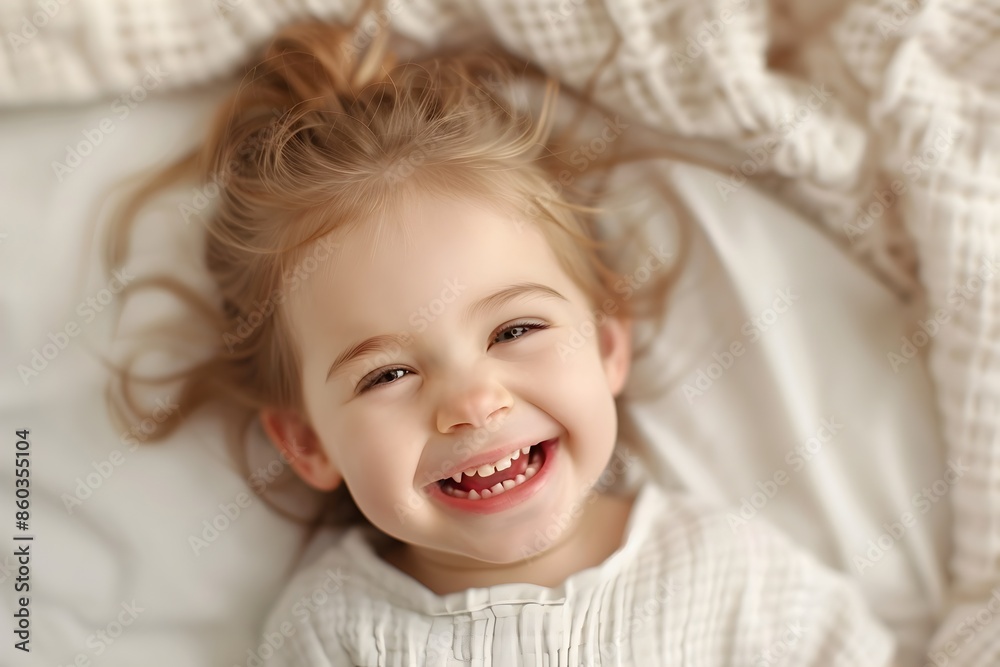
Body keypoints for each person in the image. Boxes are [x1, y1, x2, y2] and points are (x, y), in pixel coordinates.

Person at [106, 8, 896, 666]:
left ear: (608, 343)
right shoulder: (332, 634)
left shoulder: (736, 578)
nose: (473, 401)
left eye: (514, 329)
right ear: (307, 441)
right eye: (385, 375)